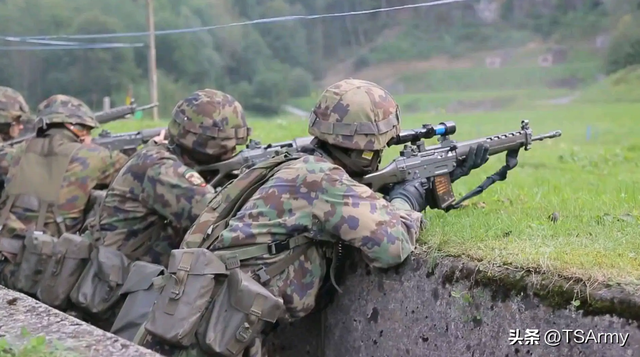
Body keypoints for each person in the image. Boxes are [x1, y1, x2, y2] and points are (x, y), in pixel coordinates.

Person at [133, 79, 491, 357]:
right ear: (370, 145)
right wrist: (410, 196)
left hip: (192, 325)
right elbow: (392, 246)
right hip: (204, 337)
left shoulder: (291, 165)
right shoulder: (321, 181)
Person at [75, 89, 251, 333]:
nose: (235, 151)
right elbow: (224, 222)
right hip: (117, 298)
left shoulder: (158, 157)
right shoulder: (162, 170)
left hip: (123, 284)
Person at [0, 94, 129, 291]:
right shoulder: (95, 156)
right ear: (75, 128)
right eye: (86, 129)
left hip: (6, 258)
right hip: (43, 270)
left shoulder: (18, 152)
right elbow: (134, 171)